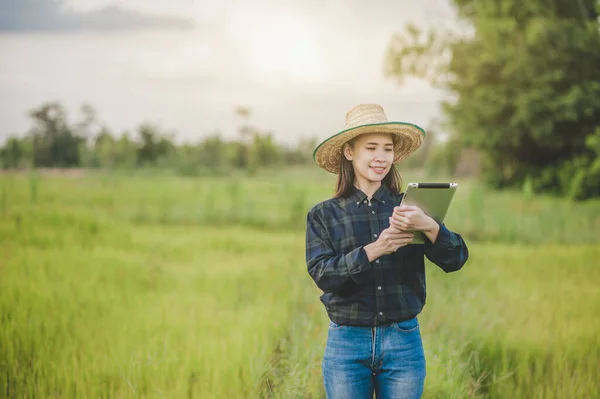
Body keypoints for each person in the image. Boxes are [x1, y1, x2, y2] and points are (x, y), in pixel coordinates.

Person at [305, 104, 469, 399]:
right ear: (349, 152)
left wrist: (431, 228)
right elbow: (323, 274)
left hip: (403, 342)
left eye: (388, 149)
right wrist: (374, 249)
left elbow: (456, 259)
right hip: (346, 344)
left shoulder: (411, 208)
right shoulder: (324, 215)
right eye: (371, 148)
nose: (381, 157)